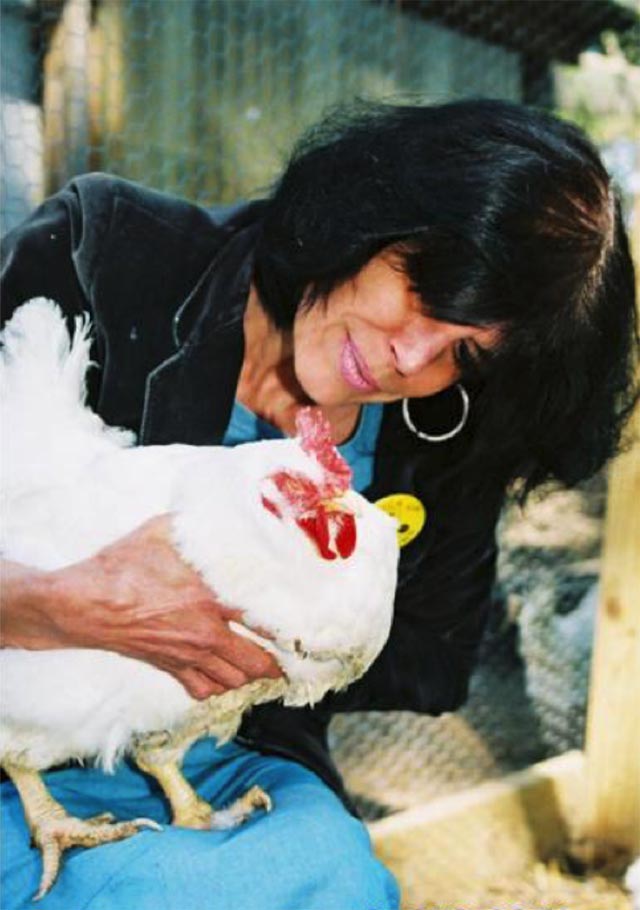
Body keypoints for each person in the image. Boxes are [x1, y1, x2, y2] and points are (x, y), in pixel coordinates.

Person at [0, 99, 637, 909]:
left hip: (211, 747)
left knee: (334, 885)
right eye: (427, 292)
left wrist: (294, 628)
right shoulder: (105, 256)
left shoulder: (444, 426)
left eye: (465, 354)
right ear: (370, 218)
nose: (412, 356)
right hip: (13, 727)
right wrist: (56, 606)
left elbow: (433, 659)